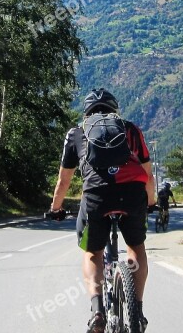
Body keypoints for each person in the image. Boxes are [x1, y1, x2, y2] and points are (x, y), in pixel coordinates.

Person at [49, 88, 156, 333]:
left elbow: (64, 181)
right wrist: (150, 203)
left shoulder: (77, 132)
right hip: (132, 194)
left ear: (87, 111)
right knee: (136, 247)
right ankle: (137, 312)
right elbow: (148, 175)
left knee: (92, 252)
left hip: (97, 196)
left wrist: (55, 208)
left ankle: (97, 312)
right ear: (114, 109)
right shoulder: (130, 129)